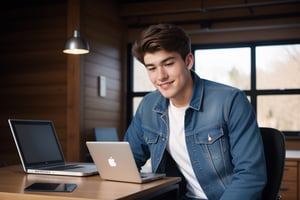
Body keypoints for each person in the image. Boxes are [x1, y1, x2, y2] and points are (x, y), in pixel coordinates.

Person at [124, 24, 267, 200]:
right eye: (151, 68)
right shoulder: (148, 106)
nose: (160, 76)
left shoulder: (230, 101)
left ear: (188, 61)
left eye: (168, 64)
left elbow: (250, 175)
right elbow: (127, 163)